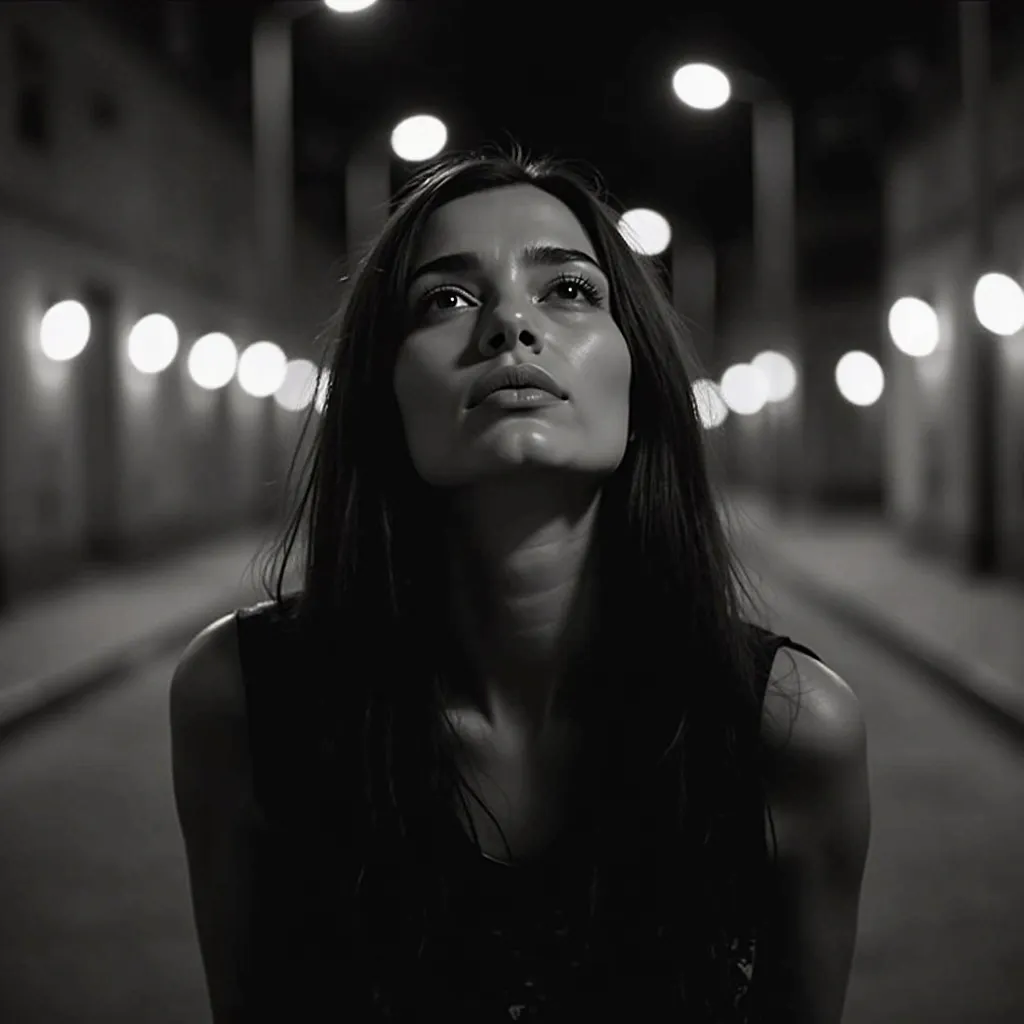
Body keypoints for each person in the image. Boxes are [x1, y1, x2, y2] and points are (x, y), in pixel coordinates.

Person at [169, 148, 871, 1022]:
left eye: (570, 290)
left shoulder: (788, 731)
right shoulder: (244, 700)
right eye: (446, 299)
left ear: (641, 379)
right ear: (382, 392)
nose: (510, 323)